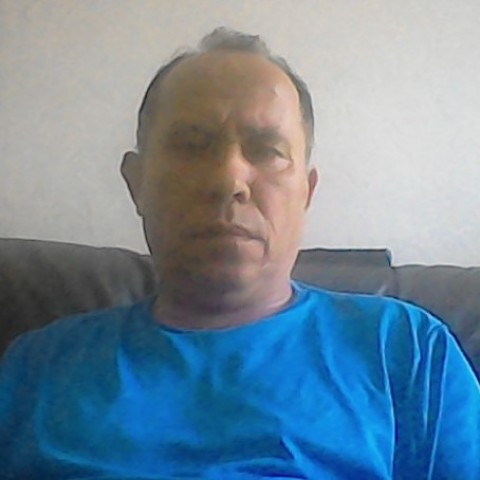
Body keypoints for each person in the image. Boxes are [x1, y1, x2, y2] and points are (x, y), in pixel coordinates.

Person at [0, 27, 479, 480]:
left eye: (266, 150)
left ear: (307, 192)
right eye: (192, 146)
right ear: (137, 183)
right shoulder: (36, 368)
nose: (229, 179)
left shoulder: (409, 351)